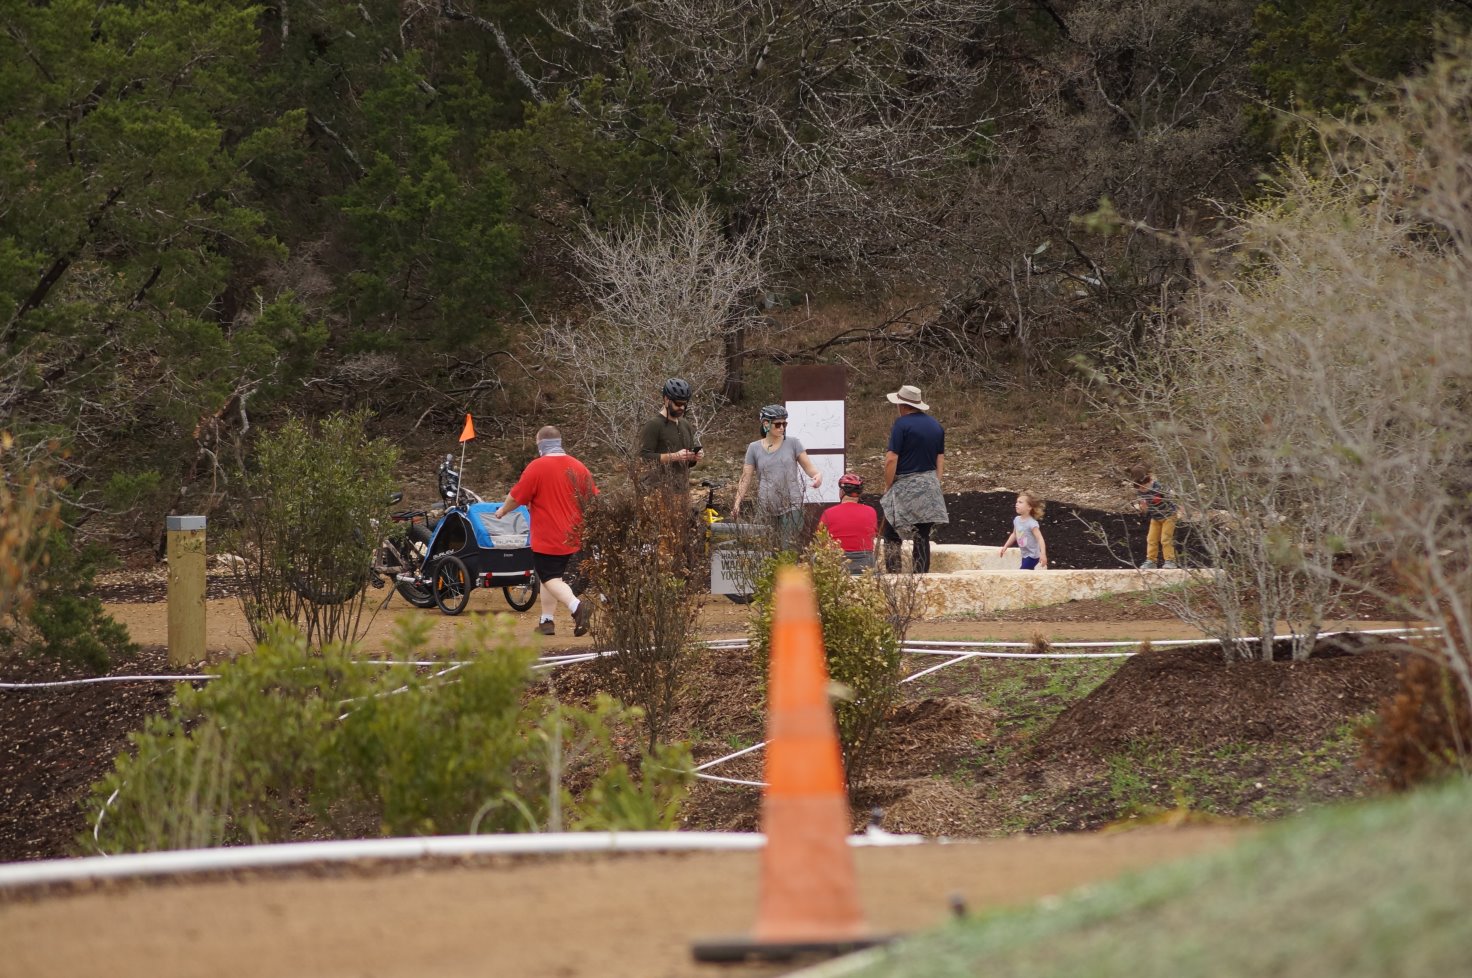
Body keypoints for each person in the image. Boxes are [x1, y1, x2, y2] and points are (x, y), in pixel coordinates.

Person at [494, 426, 599, 636]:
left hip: (548, 535)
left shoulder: (537, 467)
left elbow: (517, 496)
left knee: (549, 576)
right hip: (574, 533)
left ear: (540, 444)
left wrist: (502, 511)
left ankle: (577, 607)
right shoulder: (578, 466)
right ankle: (547, 621)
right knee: (549, 577)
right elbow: (593, 498)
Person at [732, 403, 823, 549]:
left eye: (784, 423)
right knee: (767, 549)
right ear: (765, 424)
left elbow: (808, 466)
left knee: (787, 548)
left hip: (791, 505)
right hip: (766, 505)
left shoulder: (793, 443)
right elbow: (746, 477)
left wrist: (818, 475)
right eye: (778, 424)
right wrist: (737, 502)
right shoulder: (754, 448)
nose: (782, 427)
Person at [879, 384, 948, 573]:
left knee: (891, 533)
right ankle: (921, 578)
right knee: (922, 535)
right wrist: (935, 482)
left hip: (904, 486)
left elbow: (892, 458)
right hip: (929, 484)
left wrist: (888, 484)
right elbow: (939, 458)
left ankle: (894, 579)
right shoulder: (936, 426)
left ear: (902, 405)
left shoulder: (901, 424)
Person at [638, 377, 702, 490]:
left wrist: (693, 457)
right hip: (657, 491)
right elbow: (644, 457)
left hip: (682, 490)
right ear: (667, 400)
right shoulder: (653, 425)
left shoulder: (685, 424)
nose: (681, 407)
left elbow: (688, 463)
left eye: (684, 404)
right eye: (678, 403)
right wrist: (674, 456)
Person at [819, 472, 878, 573]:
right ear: (859, 493)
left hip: (838, 563)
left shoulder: (828, 513)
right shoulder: (871, 511)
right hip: (865, 563)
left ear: (841, 492)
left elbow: (820, 540)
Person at [1129, 463, 1178, 569]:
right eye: (1137, 486)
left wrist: (1167, 496)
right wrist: (1143, 507)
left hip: (1169, 515)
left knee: (1165, 538)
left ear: (1150, 479)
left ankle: (1170, 560)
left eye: (1144, 484)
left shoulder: (1158, 487)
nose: (1142, 488)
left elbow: (1172, 497)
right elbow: (1145, 511)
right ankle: (1151, 560)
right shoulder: (1140, 493)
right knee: (1151, 539)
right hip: (1155, 517)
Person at [998, 492, 1048, 570]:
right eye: (1017, 502)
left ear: (1029, 507)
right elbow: (1014, 534)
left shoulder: (1032, 523)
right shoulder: (1017, 520)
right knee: (1028, 574)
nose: (1016, 504)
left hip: (1033, 555)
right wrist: (1005, 546)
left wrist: (1043, 554)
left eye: (1020, 502)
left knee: (1022, 571)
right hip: (1024, 554)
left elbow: (1040, 538)